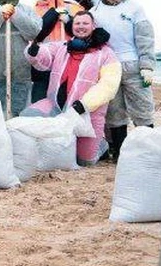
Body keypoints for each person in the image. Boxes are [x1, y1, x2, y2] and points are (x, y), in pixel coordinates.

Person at [24, 11, 121, 166]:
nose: (81, 27)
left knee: (84, 161)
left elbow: (108, 85)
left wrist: (84, 105)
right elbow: (45, 54)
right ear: (72, 26)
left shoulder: (107, 54)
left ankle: (102, 145)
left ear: (93, 26)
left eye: (85, 23)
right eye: (77, 23)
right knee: (29, 116)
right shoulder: (63, 47)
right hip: (55, 105)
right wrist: (34, 50)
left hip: (87, 113)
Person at [90, 0, 156, 160]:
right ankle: (119, 152)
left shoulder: (134, 8)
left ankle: (148, 149)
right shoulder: (96, 10)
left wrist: (147, 65)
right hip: (109, 67)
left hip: (134, 66)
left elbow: (145, 38)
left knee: (142, 108)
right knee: (114, 111)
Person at [31, 0, 80, 102]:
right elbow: (36, 32)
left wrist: (69, 20)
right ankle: (39, 119)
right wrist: (53, 13)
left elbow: (82, 31)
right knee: (41, 96)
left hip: (66, 57)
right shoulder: (37, 9)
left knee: (63, 95)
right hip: (44, 58)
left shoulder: (74, 8)